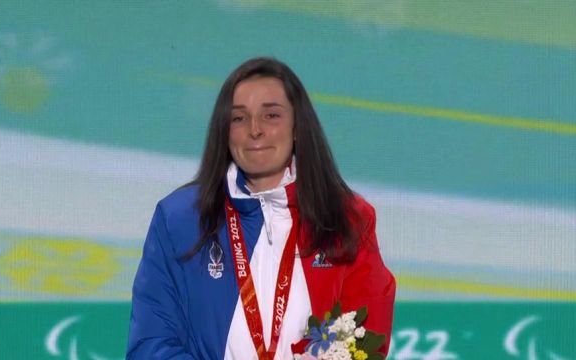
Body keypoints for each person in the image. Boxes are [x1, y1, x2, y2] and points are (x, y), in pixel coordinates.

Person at [127, 57, 396, 359]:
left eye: (271, 115)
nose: (255, 130)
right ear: (224, 131)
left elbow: (367, 336)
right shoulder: (179, 219)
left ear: (297, 126)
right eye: (239, 118)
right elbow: (151, 345)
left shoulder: (347, 218)